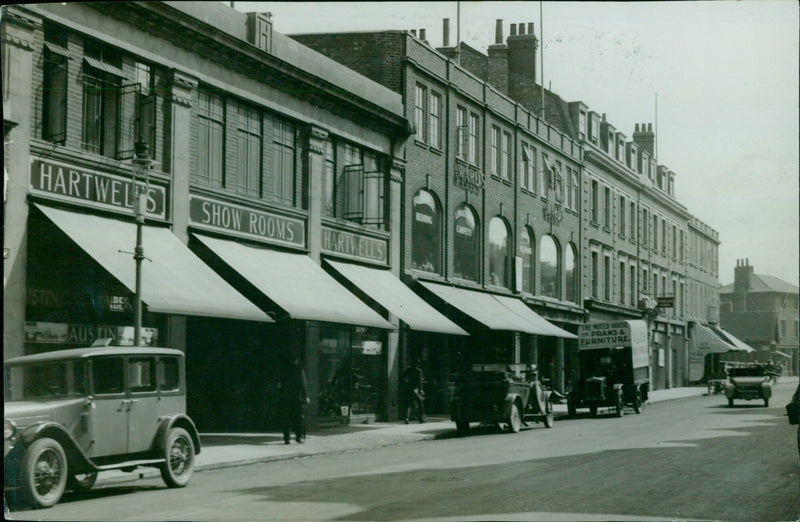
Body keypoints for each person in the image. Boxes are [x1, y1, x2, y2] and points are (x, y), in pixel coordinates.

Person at [279, 356, 309, 444]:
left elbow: (279, 384)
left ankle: (287, 438)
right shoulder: (299, 370)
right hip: (297, 397)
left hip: (285, 397)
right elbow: (303, 384)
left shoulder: (283, 371)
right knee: (299, 417)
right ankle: (299, 436)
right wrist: (306, 396)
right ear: (297, 361)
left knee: (286, 417)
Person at [402, 357, 426, 424]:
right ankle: (421, 418)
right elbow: (420, 382)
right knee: (420, 403)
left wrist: (406, 382)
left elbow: (402, 377)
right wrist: (421, 390)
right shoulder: (419, 371)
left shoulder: (408, 370)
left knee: (408, 404)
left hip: (409, 388)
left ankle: (406, 418)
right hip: (415, 389)